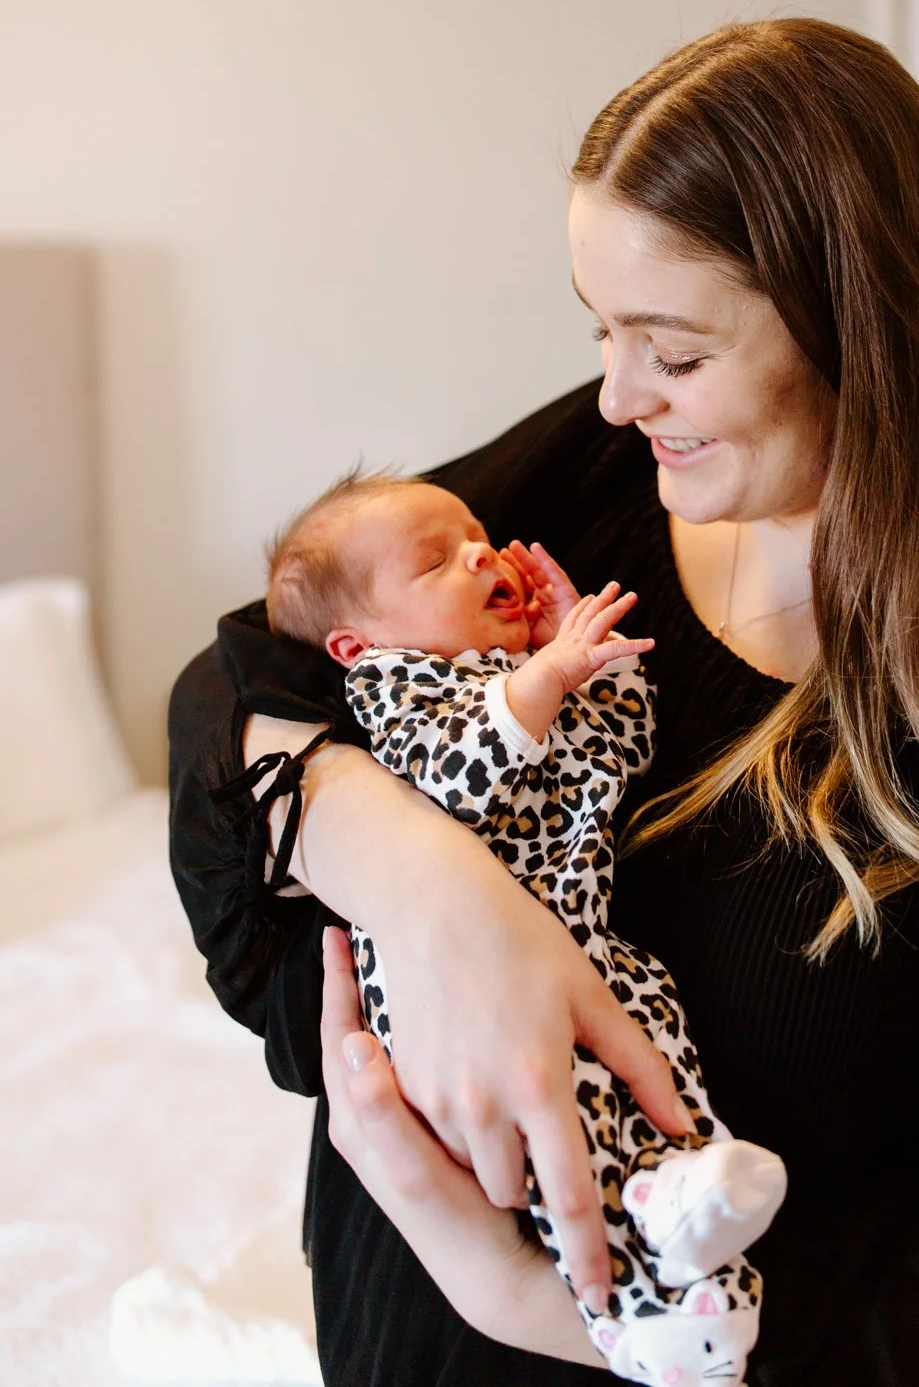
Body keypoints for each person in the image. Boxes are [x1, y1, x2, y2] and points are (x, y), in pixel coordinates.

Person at [169, 18, 919, 1386]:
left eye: (672, 349)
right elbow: (252, 667)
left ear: (863, 326)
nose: (615, 395)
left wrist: (518, 1296)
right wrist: (429, 886)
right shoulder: (596, 497)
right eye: (601, 331)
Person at [259, 470, 784, 1375]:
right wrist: (546, 673)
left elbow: (622, 750)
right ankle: (621, 1299)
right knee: (556, 1103)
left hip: (585, 941)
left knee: (651, 1046)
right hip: (460, 977)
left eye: (476, 532)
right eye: (434, 560)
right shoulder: (395, 690)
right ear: (356, 642)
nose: (478, 552)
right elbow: (458, 771)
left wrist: (594, 659)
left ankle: (681, 1195)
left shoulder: (519, 675)